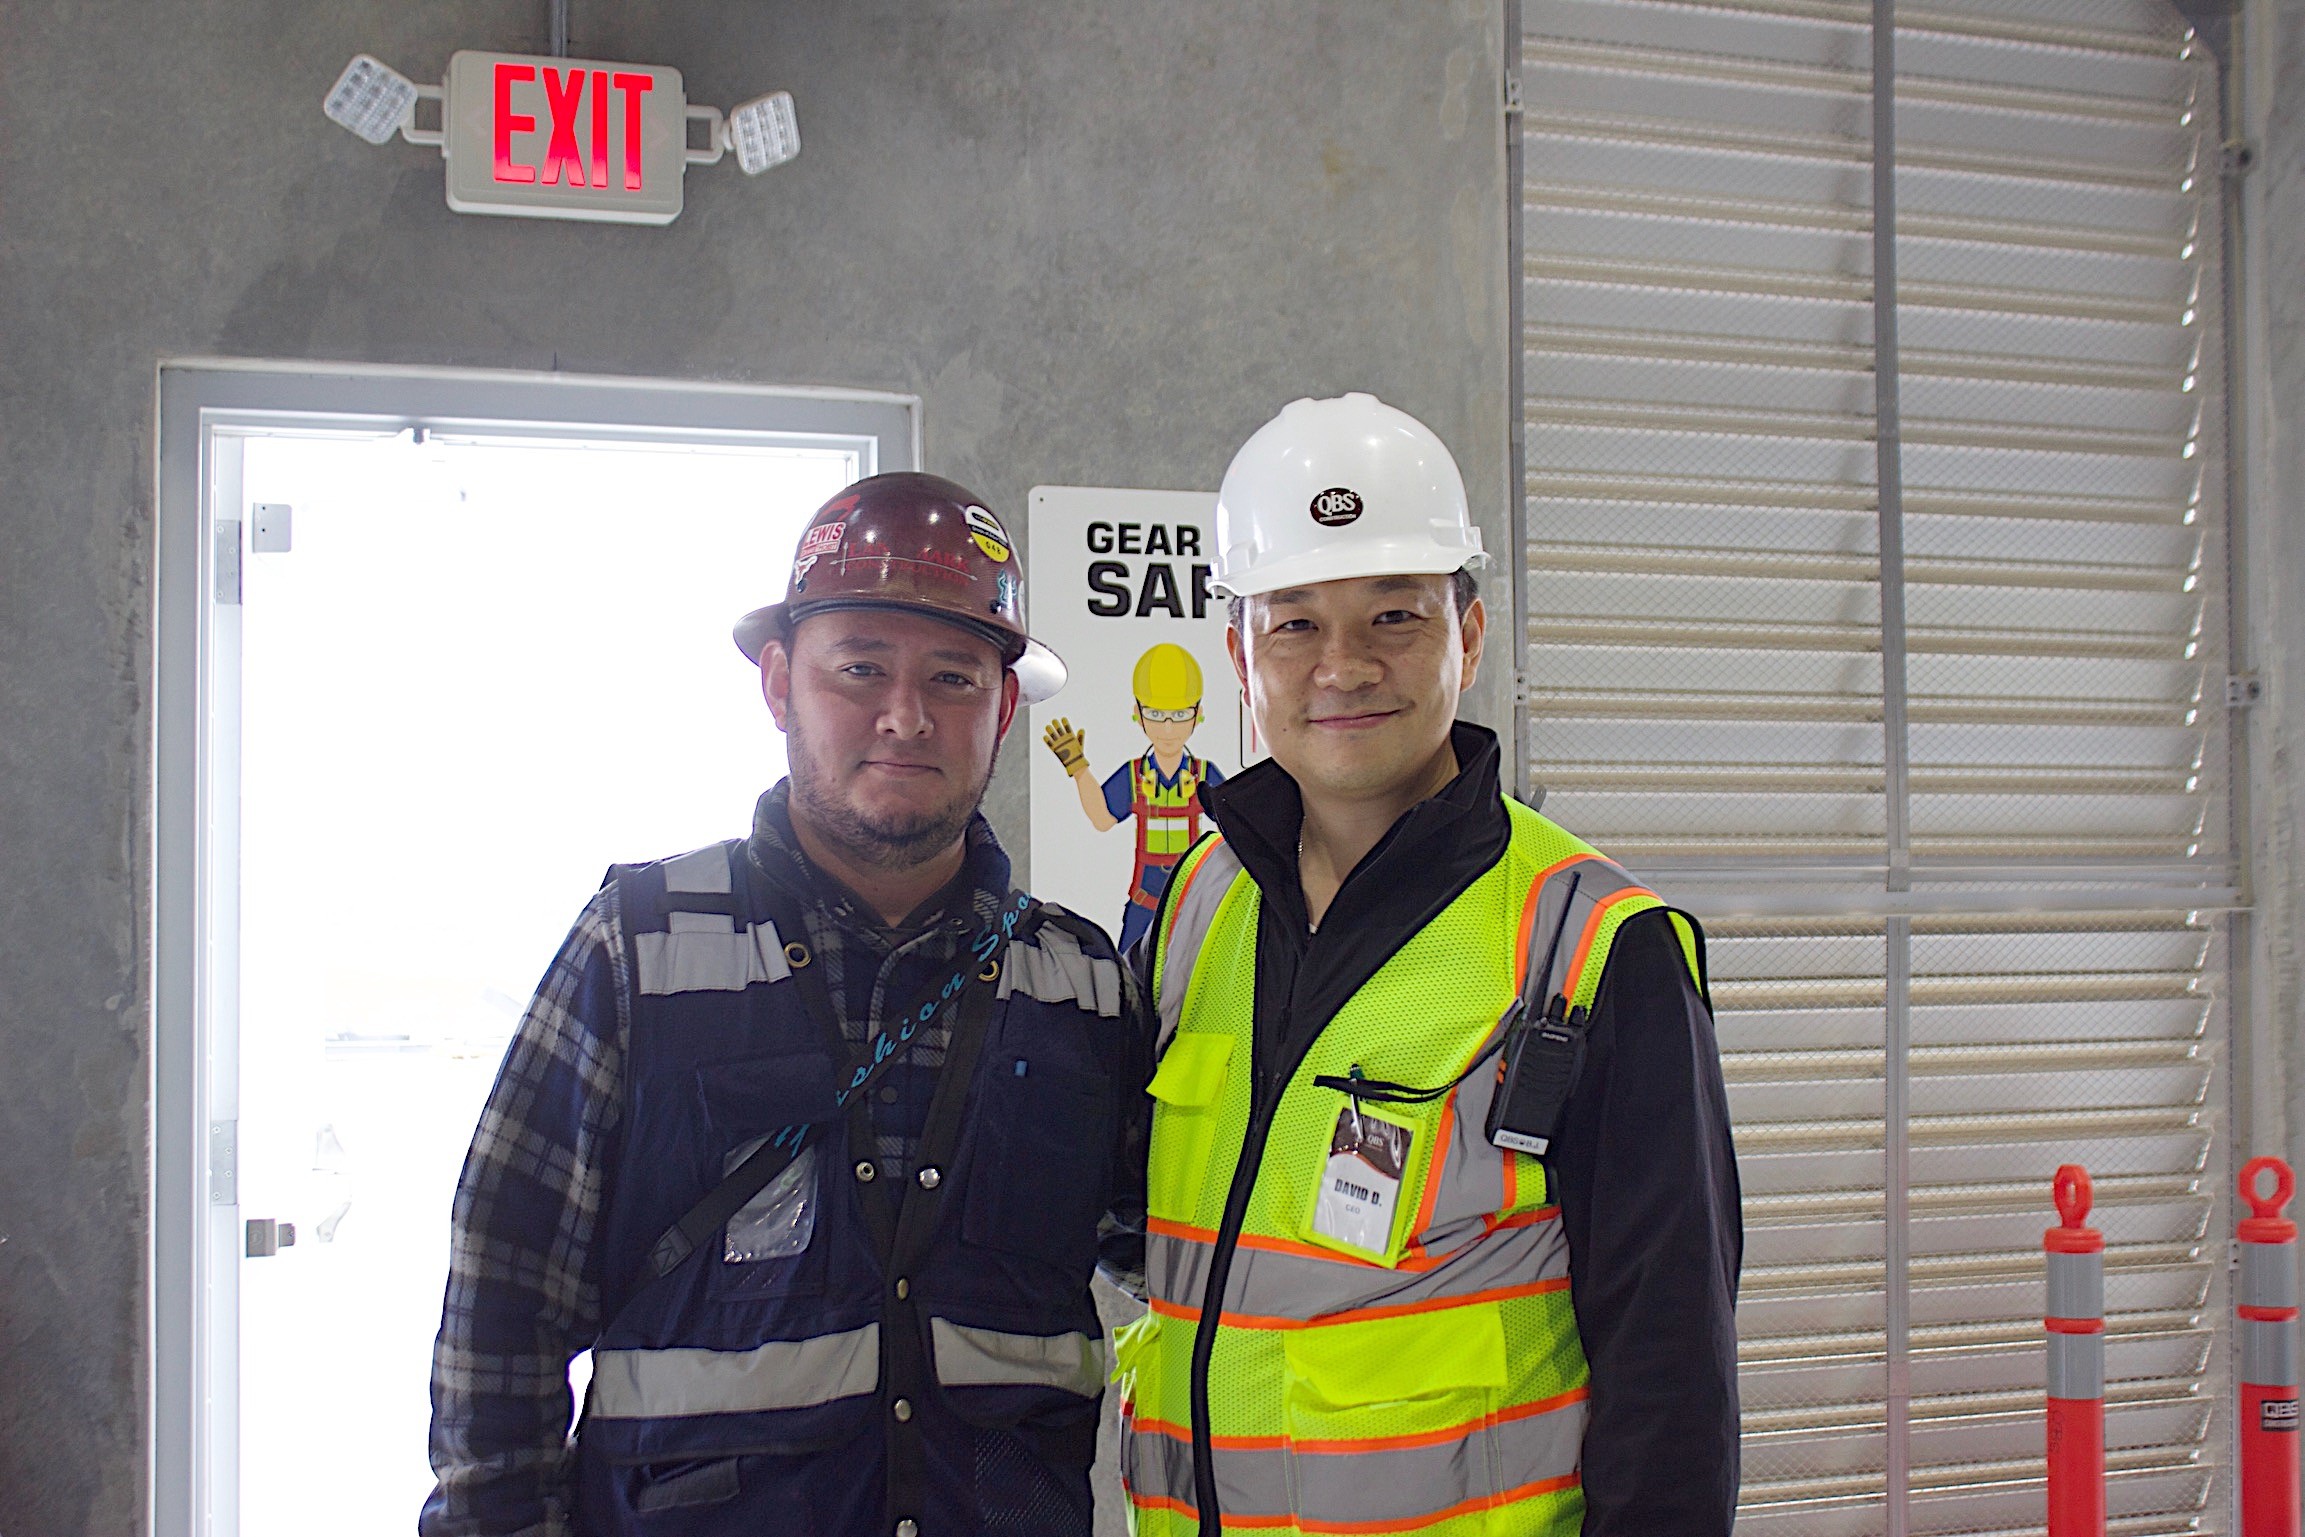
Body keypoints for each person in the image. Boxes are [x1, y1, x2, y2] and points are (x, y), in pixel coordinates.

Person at [422, 472, 1148, 1537]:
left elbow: (1195, 1258)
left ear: (1003, 709)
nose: (906, 715)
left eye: (953, 678)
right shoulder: (640, 946)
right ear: (778, 684)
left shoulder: (1080, 984)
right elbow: (502, 1302)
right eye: (860, 668)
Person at [1113, 395, 1741, 1537]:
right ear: (1239, 656)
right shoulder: (1197, 904)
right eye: (1293, 623)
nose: (1343, 666)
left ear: (1469, 633)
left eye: (1393, 615)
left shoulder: (1593, 944)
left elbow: (1671, 1382)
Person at [1041, 643, 1228, 951]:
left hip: (1193, 907)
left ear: (1198, 715)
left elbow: (1235, 826)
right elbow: (1102, 819)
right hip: (1144, 906)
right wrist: (1079, 769)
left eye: (1180, 715)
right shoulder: (1133, 775)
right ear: (1138, 715)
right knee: (1128, 973)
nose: (1168, 728)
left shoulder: (1203, 774)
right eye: (1155, 714)